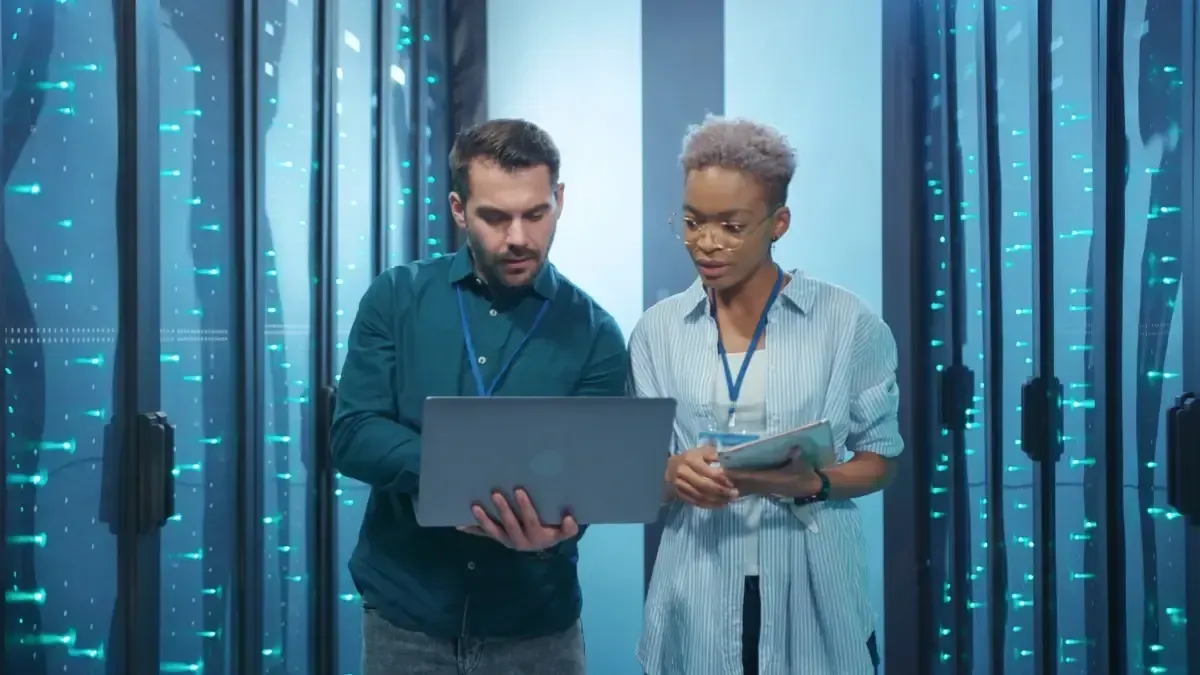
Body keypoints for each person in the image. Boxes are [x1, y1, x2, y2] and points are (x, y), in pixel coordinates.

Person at [331, 118, 628, 675]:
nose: (518, 237)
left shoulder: (596, 334)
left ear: (559, 200)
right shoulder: (396, 298)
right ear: (458, 208)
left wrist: (553, 529)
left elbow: (599, 470)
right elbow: (352, 433)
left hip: (536, 628)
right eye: (495, 217)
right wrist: (453, 473)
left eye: (535, 214)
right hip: (407, 617)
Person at [632, 116, 901, 675]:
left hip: (814, 589)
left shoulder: (846, 322)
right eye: (691, 222)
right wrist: (672, 472)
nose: (707, 243)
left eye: (731, 226)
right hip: (697, 591)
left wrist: (817, 482)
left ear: (778, 223)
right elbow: (636, 476)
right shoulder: (656, 332)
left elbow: (882, 460)